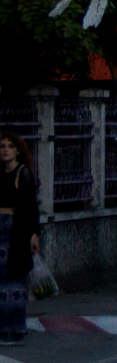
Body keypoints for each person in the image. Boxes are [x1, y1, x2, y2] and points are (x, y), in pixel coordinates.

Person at [0, 132, 40, 344]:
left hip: (15, 231)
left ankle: (15, 328)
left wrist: (34, 233)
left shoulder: (23, 173)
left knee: (14, 281)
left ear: (17, 150)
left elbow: (31, 206)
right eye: (2, 146)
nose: (5, 149)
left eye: (10, 146)